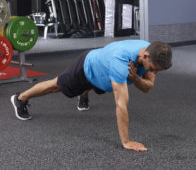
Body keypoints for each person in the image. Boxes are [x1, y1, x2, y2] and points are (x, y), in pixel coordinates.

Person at [10, 39, 172, 152]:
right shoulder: (121, 61)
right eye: (153, 68)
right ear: (145, 56)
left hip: (103, 73)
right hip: (87, 67)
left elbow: (148, 87)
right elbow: (121, 104)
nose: (154, 72)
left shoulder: (152, 51)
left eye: (157, 70)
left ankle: (84, 92)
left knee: (98, 84)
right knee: (55, 86)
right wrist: (127, 141)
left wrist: (136, 77)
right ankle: (20, 98)